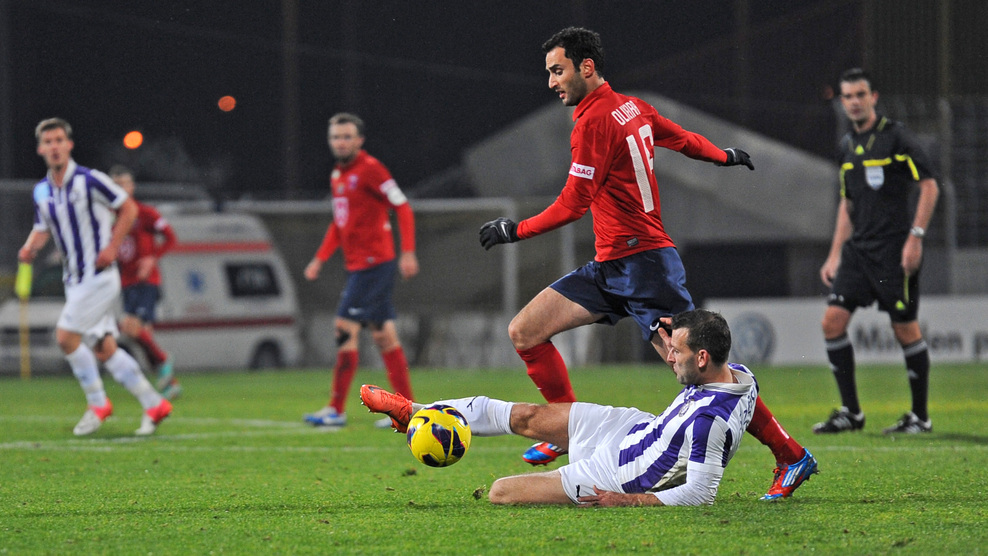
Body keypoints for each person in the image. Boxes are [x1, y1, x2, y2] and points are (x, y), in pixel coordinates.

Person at [477, 27, 816, 500]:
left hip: (646, 267)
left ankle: (790, 453)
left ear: (586, 67)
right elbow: (680, 138)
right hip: (610, 266)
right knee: (525, 331)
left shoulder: (593, 122)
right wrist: (722, 156)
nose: (552, 82)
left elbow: (574, 203)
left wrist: (515, 230)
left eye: (558, 71)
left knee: (703, 373)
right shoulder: (632, 107)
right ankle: (566, 429)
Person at [363, 310, 772, 506]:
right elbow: (701, 387)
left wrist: (627, 501)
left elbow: (700, 494)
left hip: (617, 475)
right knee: (526, 415)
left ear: (702, 358)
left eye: (676, 351)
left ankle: (422, 413)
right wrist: (670, 334)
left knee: (500, 492)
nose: (668, 356)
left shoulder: (709, 422)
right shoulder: (740, 375)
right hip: (631, 428)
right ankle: (413, 410)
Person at [19, 118, 172, 436]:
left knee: (65, 337)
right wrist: (29, 248)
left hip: (99, 277)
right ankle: (154, 403)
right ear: (40, 149)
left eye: (59, 140)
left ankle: (97, 402)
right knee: (104, 347)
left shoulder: (90, 181)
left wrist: (112, 247)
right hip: (74, 281)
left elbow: (128, 208)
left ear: (69, 145)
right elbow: (42, 227)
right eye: (48, 141)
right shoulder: (42, 191)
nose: (54, 146)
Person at [815, 69, 940, 435]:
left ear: (873, 97)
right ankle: (851, 413)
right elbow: (847, 203)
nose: (854, 102)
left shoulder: (896, 137)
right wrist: (835, 254)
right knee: (832, 323)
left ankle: (920, 417)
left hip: (894, 249)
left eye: (860, 94)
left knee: (904, 328)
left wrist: (915, 238)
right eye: (848, 96)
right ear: (842, 101)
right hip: (858, 251)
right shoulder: (846, 146)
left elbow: (930, 186)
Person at [303, 112, 419, 428]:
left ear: (359, 140)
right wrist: (319, 259)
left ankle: (335, 409)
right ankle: (407, 411)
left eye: (346, 137)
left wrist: (408, 251)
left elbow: (402, 206)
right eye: (335, 137)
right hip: (358, 267)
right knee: (384, 336)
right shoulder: (337, 175)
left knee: (344, 328)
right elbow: (339, 223)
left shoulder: (371, 169)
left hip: (374, 265)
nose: (340, 142)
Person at [108, 165, 180, 400]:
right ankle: (169, 383)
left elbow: (170, 237)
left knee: (131, 327)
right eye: (115, 185)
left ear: (132, 187)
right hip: (127, 282)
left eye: (123, 184)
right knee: (139, 335)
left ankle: (164, 361)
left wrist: (152, 258)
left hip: (146, 280)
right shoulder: (110, 217)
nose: (119, 189)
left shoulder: (145, 213)